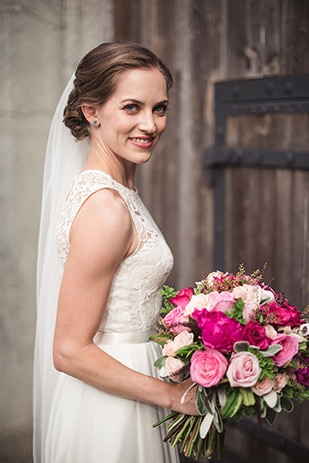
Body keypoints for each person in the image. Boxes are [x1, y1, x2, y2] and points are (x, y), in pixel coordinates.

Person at [33, 42, 198, 463]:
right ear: (92, 111)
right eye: (131, 107)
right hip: (111, 407)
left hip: (129, 379)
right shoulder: (105, 208)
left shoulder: (115, 189)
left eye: (159, 108)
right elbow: (69, 350)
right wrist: (173, 396)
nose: (150, 124)